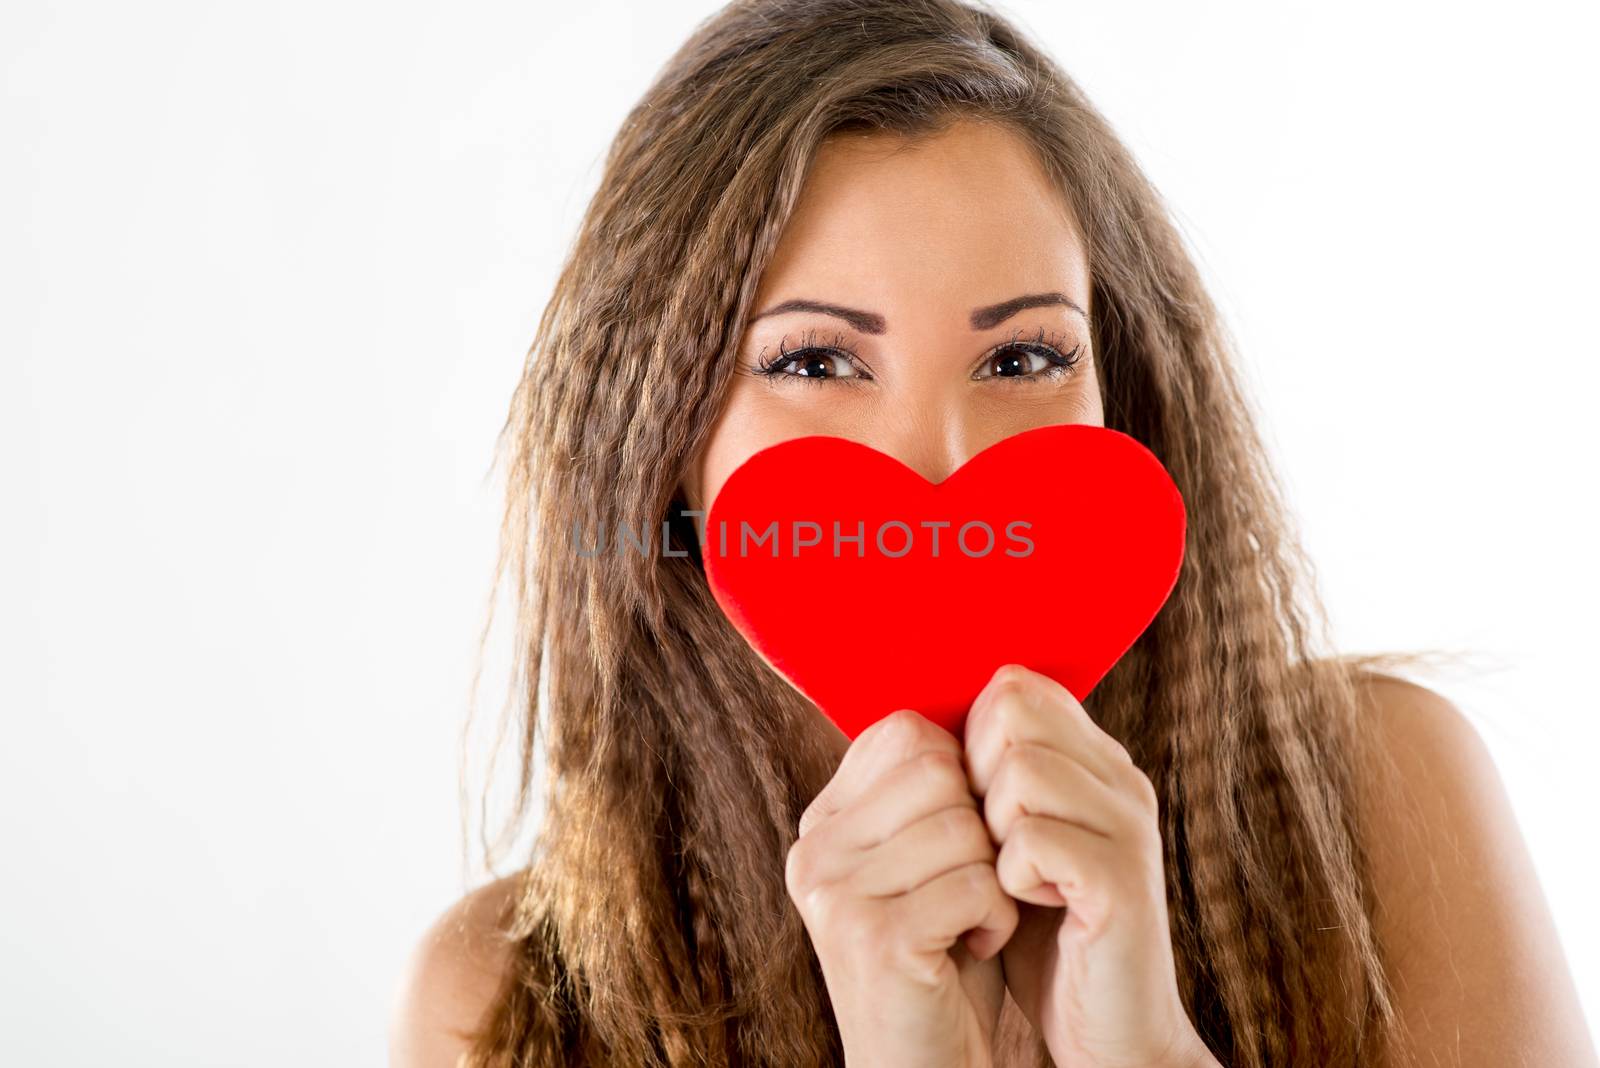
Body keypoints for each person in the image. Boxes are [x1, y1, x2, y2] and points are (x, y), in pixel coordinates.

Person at [389, 1, 1598, 1065]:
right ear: (660, 433)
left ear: (1118, 384)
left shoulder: (1387, 794)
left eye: (1021, 357)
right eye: (815, 360)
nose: (943, 469)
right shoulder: (501, 1008)